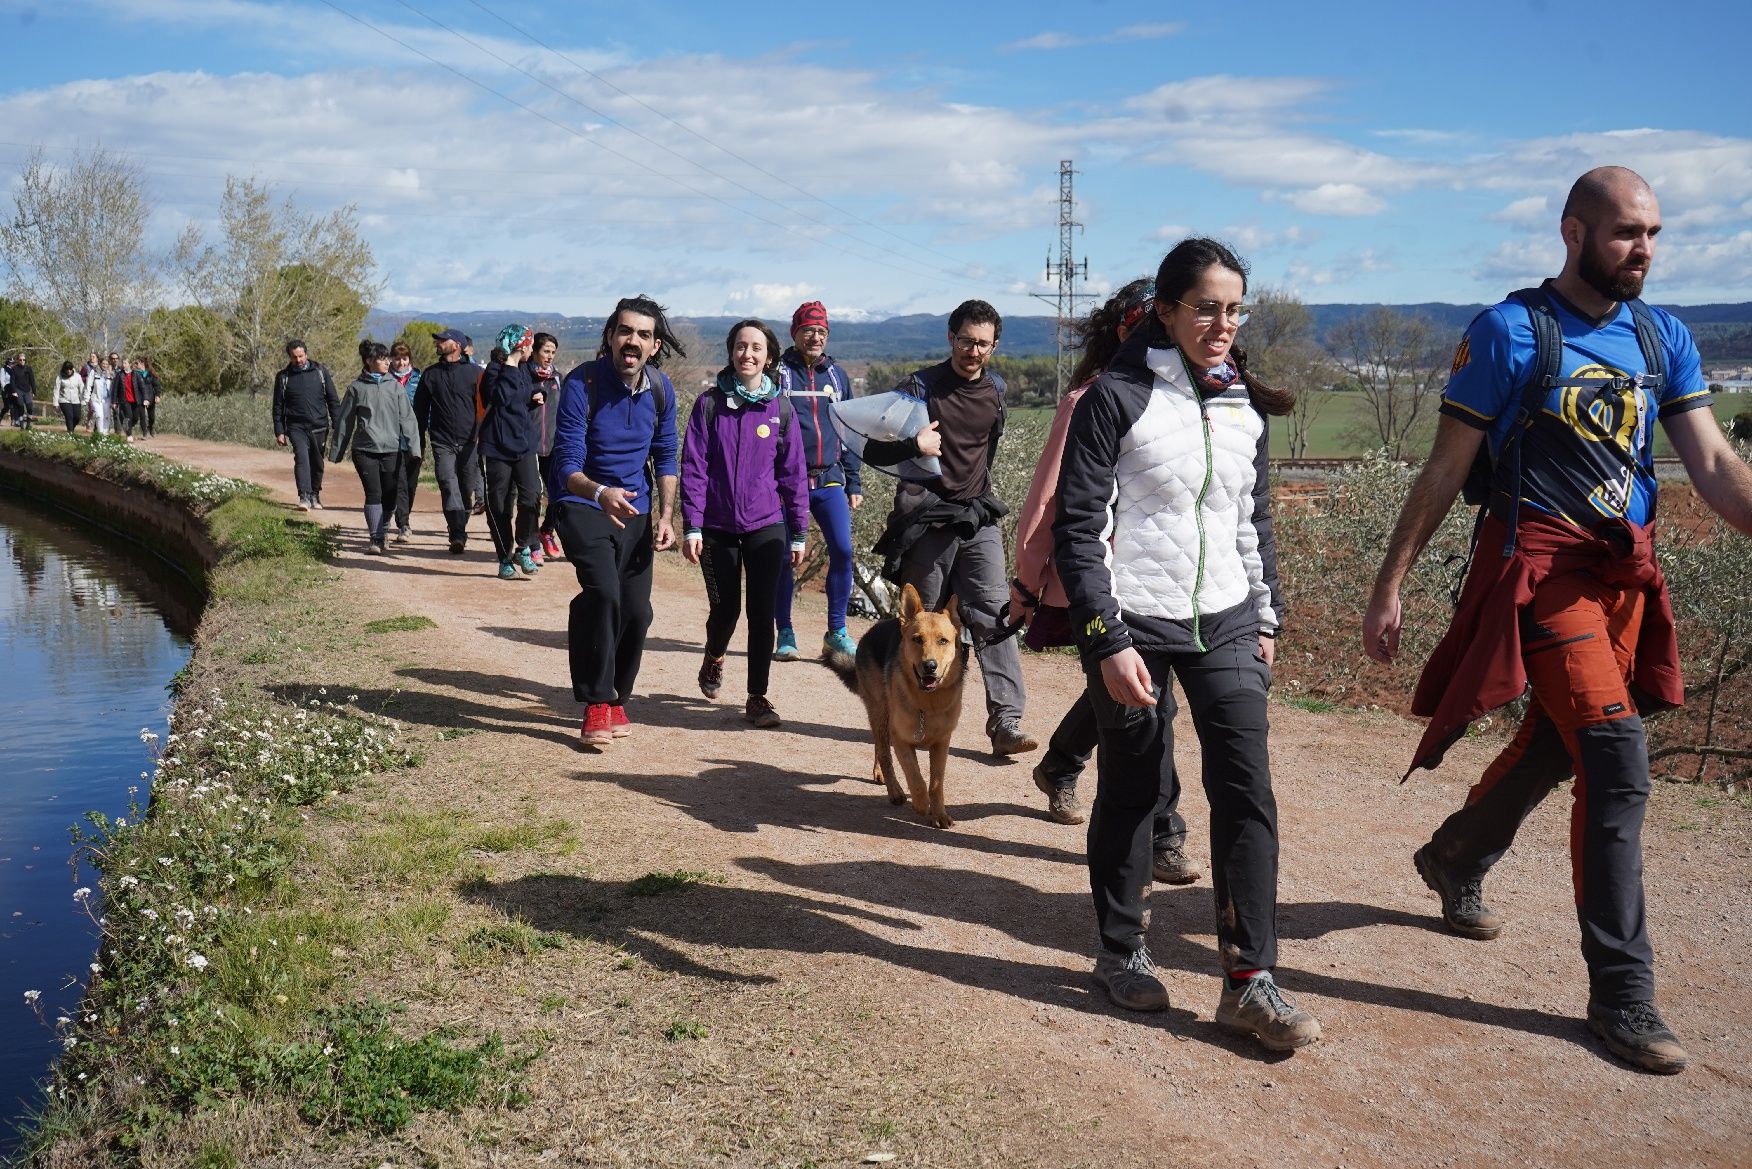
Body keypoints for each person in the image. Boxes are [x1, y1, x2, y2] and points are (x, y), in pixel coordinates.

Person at [1363, 167, 1752, 1075]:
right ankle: (1623, 992)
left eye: (1653, 233)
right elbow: (1444, 471)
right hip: (1541, 577)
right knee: (1615, 759)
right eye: (1626, 233)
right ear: (1573, 233)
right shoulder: (1509, 333)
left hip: (1625, 577)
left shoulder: (1664, 336)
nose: (1645, 250)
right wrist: (1391, 584)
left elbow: (1716, 467)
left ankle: (1457, 855)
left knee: (1557, 738)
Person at [1055, 237, 1317, 1052]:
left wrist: (1267, 618)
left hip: (1229, 618)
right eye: (1207, 306)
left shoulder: (1241, 404)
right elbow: (1078, 529)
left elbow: (1251, 520)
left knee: (1246, 788)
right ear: (1165, 310)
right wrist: (1105, 641)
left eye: (1235, 309)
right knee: (1134, 787)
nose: (1222, 323)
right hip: (1135, 621)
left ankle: (1251, 981)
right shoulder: (1115, 397)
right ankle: (1121, 949)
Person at [1010, 279, 1199, 878]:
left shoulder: (1196, 401)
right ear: (1126, 330)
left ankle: (1061, 762)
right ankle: (1165, 834)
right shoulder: (1090, 399)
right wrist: (1027, 579)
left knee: (1125, 688)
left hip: (1163, 579)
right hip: (1099, 580)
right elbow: (1050, 502)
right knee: (1151, 702)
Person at [865, 300, 1036, 757]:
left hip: (976, 519)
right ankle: (911, 719)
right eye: (966, 340)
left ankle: (1006, 722)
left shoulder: (996, 390)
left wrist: (974, 491)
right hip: (928, 523)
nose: (973, 351)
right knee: (920, 626)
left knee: (996, 617)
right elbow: (870, 448)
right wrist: (911, 443)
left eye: (982, 344)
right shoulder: (919, 388)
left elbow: (987, 450)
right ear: (950, 338)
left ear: (994, 346)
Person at [551, 295, 683, 747]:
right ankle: (596, 702)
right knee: (603, 594)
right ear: (610, 336)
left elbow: (666, 456)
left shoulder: (662, 390)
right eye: (625, 331)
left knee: (638, 611)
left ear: (655, 345)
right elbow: (566, 464)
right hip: (583, 504)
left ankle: (618, 696)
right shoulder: (582, 383)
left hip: (638, 512)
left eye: (643, 335)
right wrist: (600, 492)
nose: (633, 341)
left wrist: (666, 515)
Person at [681, 319, 810, 728]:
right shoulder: (709, 405)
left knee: (761, 611)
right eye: (740, 346)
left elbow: (793, 474)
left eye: (756, 347)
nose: (747, 354)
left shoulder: (781, 408)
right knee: (725, 610)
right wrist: (692, 525)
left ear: (769, 356)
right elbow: (694, 468)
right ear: (731, 352)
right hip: (716, 527)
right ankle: (714, 656)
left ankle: (757, 697)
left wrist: (799, 531)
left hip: (766, 524)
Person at [772, 301, 864, 669]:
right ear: (795, 333)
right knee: (783, 558)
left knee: (842, 551)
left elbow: (851, 429)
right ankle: (785, 633)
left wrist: (853, 480)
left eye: (822, 332)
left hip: (829, 480)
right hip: (784, 484)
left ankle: (836, 632)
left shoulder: (838, 377)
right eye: (808, 330)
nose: (815, 337)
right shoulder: (777, 373)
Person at [327, 340, 419, 555]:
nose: (388, 362)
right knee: (374, 493)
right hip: (365, 450)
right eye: (382, 358)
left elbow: (408, 418)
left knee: (390, 495)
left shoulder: (395, 387)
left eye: (388, 358)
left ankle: (384, 527)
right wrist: (337, 452)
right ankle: (376, 538)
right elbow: (344, 421)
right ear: (369, 361)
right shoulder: (356, 388)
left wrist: (414, 447)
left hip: (392, 450)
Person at [479, 324, 546, 580]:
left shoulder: (526, 369)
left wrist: (537, 395)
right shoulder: (494, 370)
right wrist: (509, 363)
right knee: (499, 504)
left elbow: (525, 394)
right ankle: (505, 557)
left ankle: (524, 545)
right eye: (529, 344)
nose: (532, 349)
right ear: (520, 346)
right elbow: (500, 399)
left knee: (532, 496)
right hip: (497, 446)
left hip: (524, 444)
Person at [414, 328, 482, 554]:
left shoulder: (475, 374)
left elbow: (485, 408)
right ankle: (457, 534)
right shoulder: (430, 374)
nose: (438, 343)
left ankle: (459, 528)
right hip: (442, 441)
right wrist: (418, 442)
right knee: (446, 483)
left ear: (458, 345)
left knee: (465, 489)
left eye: (443, 340)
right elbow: (420, 411)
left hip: (470, 441)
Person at [271, 339, 340, 510]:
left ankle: (315, 494)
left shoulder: (320, 372)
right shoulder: (283, 377)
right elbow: (278, 406)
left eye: (301, 356)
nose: (298, 360)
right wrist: (279, 431)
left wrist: (338, 424)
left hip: (319, 426)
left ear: (306, 354)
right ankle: (304, 496)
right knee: (302, 458)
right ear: (290, 357)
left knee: (317, 462)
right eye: (294, 357)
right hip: (296, 427)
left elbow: (333, 400)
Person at [528, 332, 565, 563]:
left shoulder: (558, 378)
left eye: (553, 352)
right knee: (532, 497)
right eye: (545, 352)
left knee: (559, 496)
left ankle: (546, 531)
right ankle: (532, 544)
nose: (549, 356)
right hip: (528, 448)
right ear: (534, 352)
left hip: (553, 446)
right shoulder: (524, 376)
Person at [388, 340, 423, 542]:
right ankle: (404, 524)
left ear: (409, 359)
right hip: (392, 439)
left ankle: (404, 515)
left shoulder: (419, 379)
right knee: (400, 482)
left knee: (410, 484)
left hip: (416, 438)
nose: (400, 362)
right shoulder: (385, 380)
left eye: (404, 358)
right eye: (397, 358)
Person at [52, 361, 85, 433]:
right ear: (64, 369)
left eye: (70, 369)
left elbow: (82, 388)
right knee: (69, 416)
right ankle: (70, 433)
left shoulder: (77, 376)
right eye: (67, 369)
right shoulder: (60, 377)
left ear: (72, 368)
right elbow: (56, 390)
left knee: (77, 417)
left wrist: (83, 400)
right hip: (64, 400)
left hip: (76, 400)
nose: (69, 371)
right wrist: (55, 403)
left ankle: (71, 429)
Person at [85, 357, 112, 436]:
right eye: (103, 363)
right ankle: (100, 434)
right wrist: (87, 397)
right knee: (99, 416)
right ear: (100, 364)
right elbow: (88, 385)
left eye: (106, 364)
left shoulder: (110, 374)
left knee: (106, 416)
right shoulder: (94, 372)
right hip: (96, 398)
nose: (105, 365)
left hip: (107, 399)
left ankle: (106, 434)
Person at [8, 354, 36, 429]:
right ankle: (21, 426)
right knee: (20, 407)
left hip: (27, 390)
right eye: (20, 360)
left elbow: (32, 380)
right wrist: (14, 391)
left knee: (29, 407)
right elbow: (12, 381)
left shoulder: (28, 368)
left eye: (24, 360)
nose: (22, 361)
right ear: (17, 360)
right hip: (18, 390)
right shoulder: (14, 369)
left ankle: (28, 424)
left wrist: (34, 391)